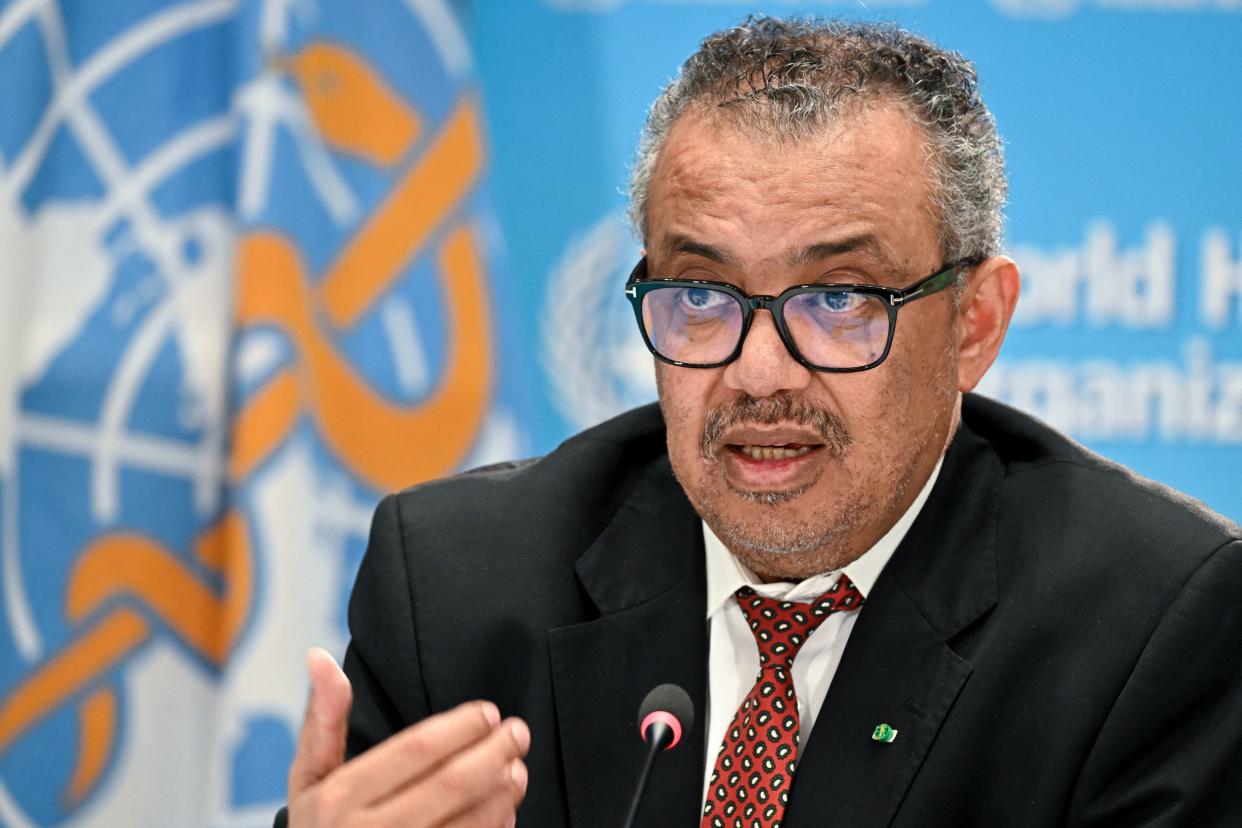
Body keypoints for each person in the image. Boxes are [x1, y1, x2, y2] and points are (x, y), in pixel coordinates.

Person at [277, 17, 1242, 828]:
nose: (758, 374)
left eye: (838, 299)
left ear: (973, 324)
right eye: (701, 295)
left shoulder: (1153, 630)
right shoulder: (455, 589)